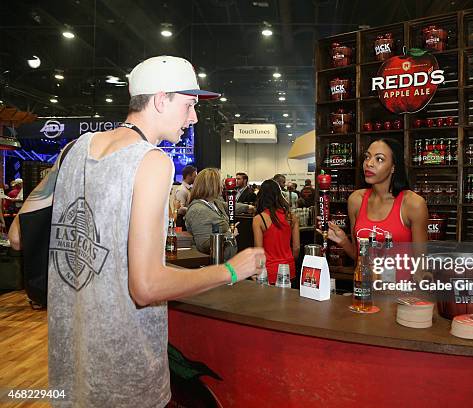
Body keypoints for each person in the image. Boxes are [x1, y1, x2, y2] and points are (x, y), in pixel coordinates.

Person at [8, 55, 265, 407]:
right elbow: (146, 287)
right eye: (189, 105)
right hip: (125, 374)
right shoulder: (152, 161)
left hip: (70, 366)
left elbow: (18, 235)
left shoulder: (72, 150)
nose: (193, 118)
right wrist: (232, 270)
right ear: (161, 100)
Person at [325, 138, 428, 264]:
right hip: (365, 282)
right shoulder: (356, 200)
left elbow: (421, 264)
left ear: (393, 167)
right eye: (367, 157)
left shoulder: (413, 204)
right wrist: (343, 241)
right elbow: (360, 258)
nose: (369, 163)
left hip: (401, 283)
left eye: (379, 159)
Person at [185, 168, 254, 257]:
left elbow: (229, 205)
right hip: (214, 265)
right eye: (220, 183)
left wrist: (248, 208)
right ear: (212, 185)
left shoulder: (213, 203)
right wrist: (229, 234)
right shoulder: (198, 210)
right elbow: (203, 245)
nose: (222, 186)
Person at [253, 179, 300, 285]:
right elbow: (296, 248)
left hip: (268, 271)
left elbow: (258, 251)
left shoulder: (259, 219)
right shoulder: (292, 217)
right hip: (289, 269)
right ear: (279, 195)